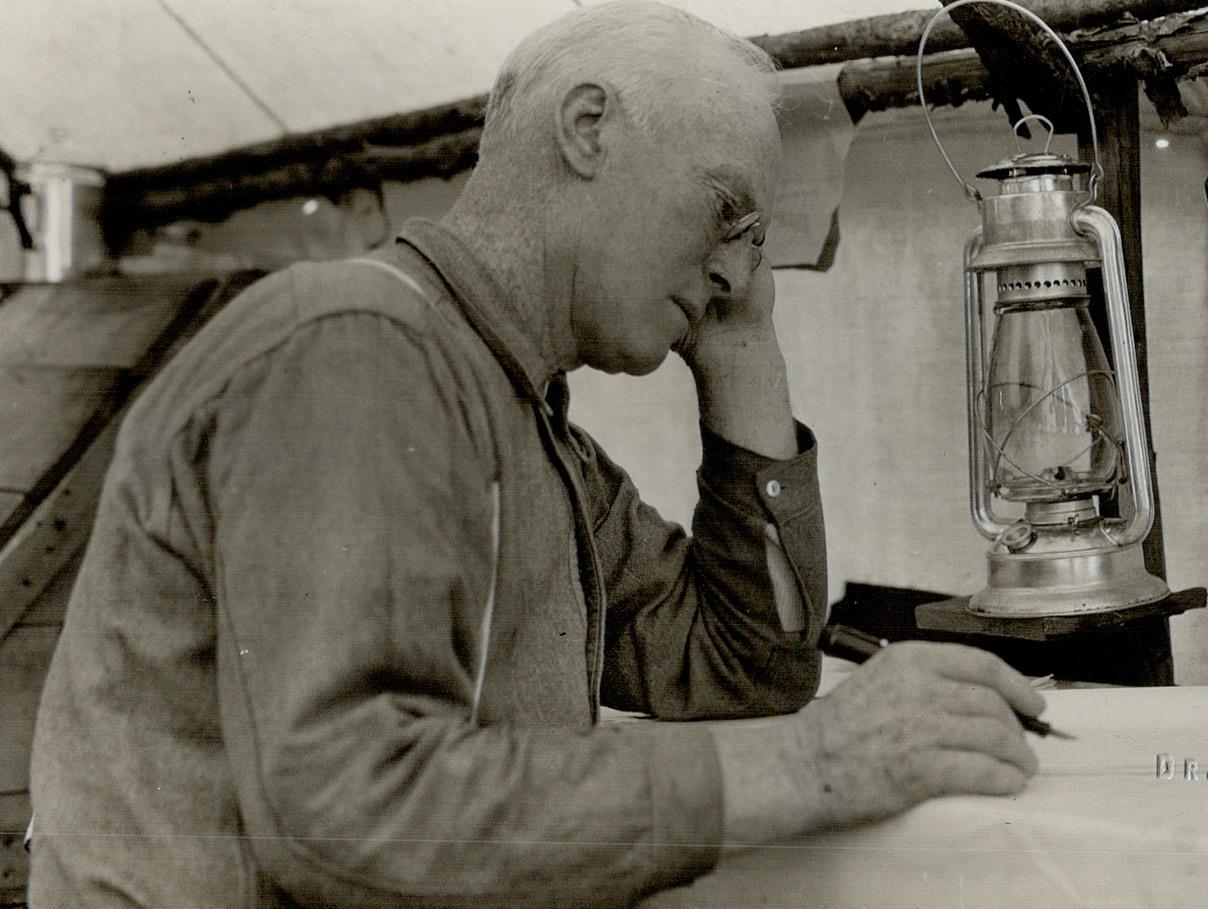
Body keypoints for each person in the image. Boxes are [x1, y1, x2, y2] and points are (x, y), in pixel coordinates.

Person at [27, 3, 1044, 906]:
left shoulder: (518, 421)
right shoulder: (355, 348)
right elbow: (342, 810)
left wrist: (742, 353)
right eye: (725, 212)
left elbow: (741, 667)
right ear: (588, 127)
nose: (740, 267)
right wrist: (817, 762)